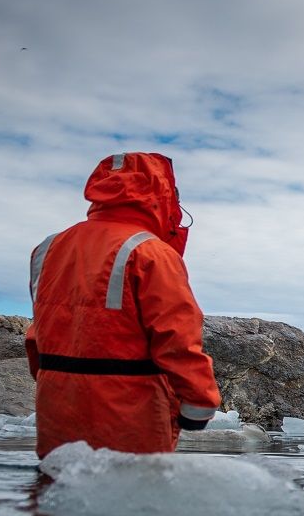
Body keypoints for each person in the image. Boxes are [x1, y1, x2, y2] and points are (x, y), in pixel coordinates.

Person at [25, 151, 220, 459]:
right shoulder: (151, 253)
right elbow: (177, 338)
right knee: (137, 488)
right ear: (162, 197)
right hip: (130, 414)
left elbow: (38, 334)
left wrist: (61, 383)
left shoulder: (48, 249)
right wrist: (199, 404)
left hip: (58, 408)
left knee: (56, 485)